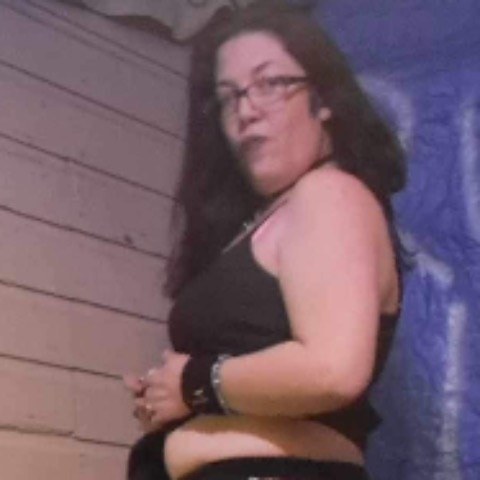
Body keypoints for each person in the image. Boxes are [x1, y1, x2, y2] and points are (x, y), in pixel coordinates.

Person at [125, 1, 406, 479]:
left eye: (271, 83)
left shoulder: (330, 193)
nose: (246, 110)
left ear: (324, 97)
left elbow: (333, 369)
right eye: (229, 96)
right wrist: (172, 396)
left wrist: (192, 382)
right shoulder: (266, 220)